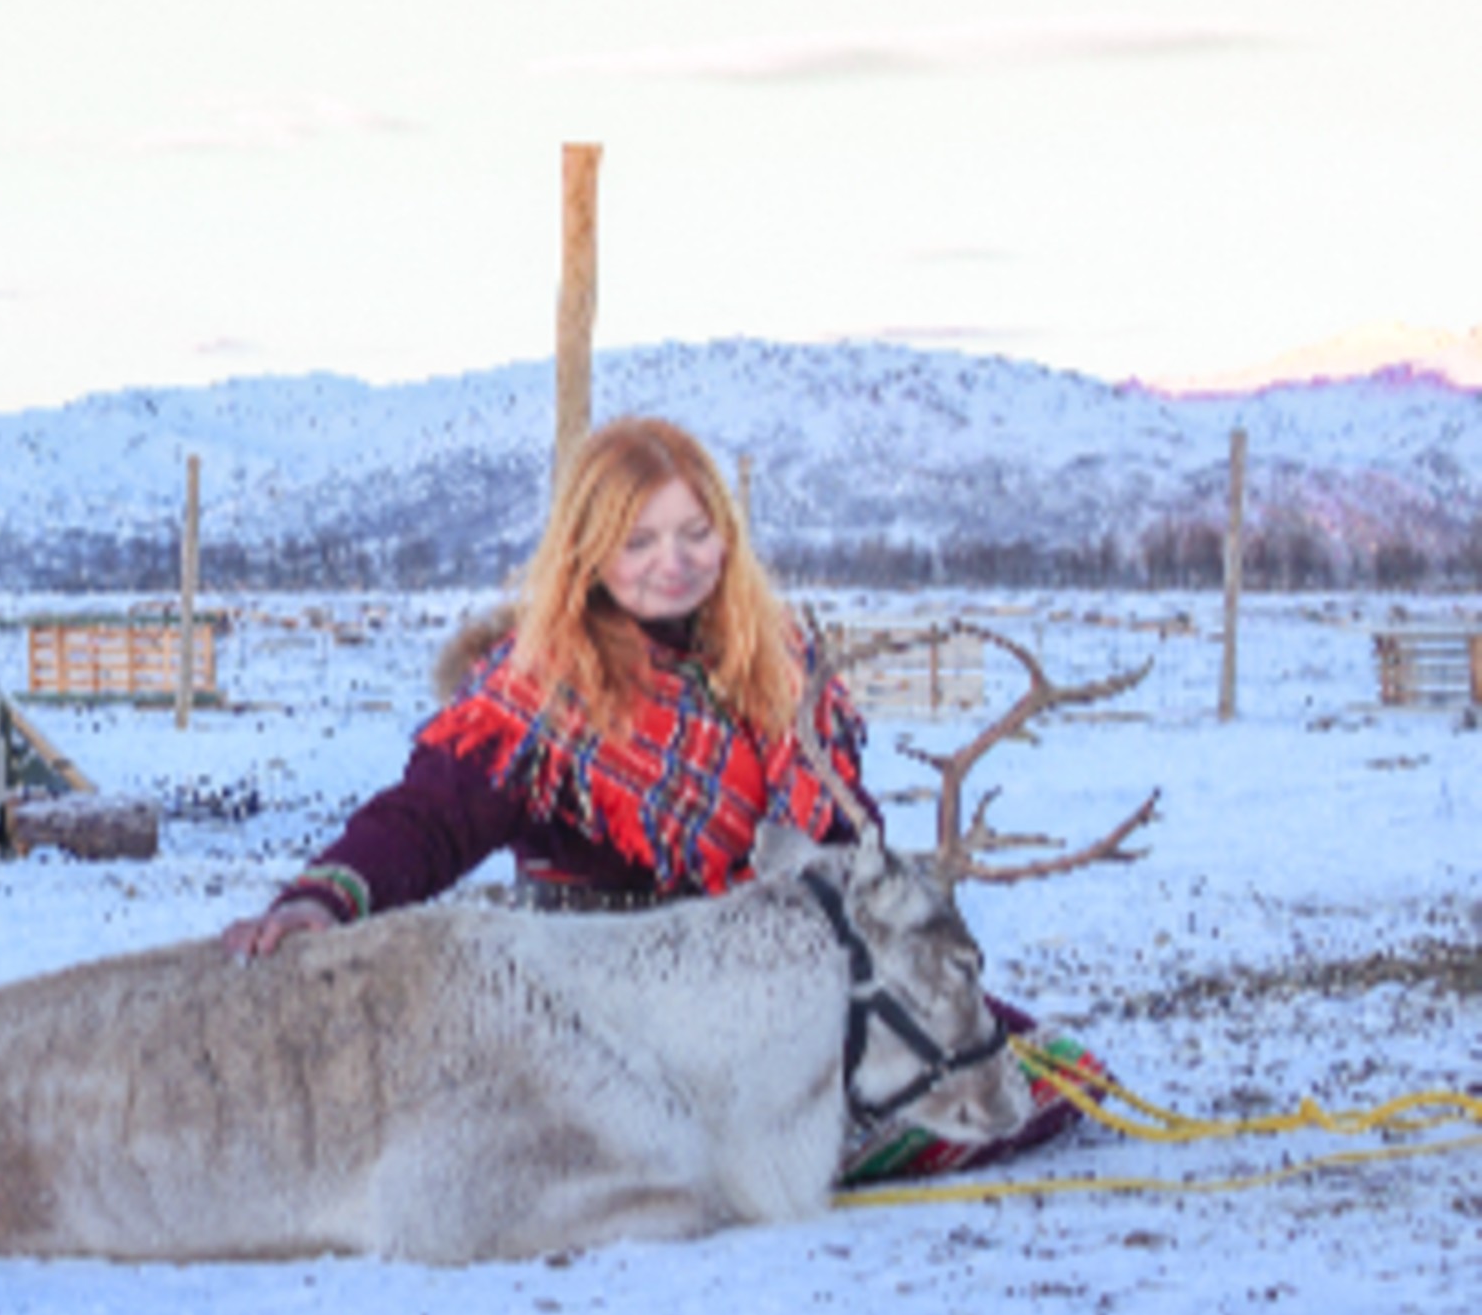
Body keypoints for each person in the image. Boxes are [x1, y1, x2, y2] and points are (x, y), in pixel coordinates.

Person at [219, 416, 1097, 1181]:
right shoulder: (541, 689)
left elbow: (842, 850)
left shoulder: (784, 666)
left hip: (774, 987)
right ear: (588, 552)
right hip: (608, 1011)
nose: (672, 564)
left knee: (1045, 1072)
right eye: (638, 542)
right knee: (948, 1105)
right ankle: (744, 1154)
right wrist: (323, 899)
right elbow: (427, 815)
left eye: (694, 533)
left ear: (727, 536)